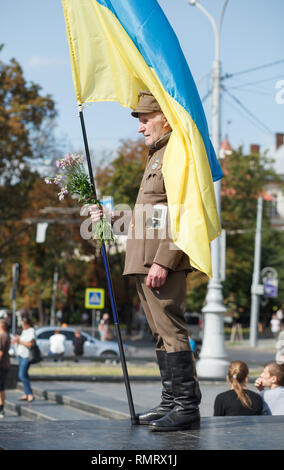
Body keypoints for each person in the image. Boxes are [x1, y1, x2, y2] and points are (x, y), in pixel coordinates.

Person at [89, 91, 201, 432]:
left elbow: (184, 212)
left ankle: (186, 407)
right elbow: (149, 216)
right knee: (160, 334)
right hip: (144, 259)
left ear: (164, 118)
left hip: (159, 262)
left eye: (144, 119)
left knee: (171, 329)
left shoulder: (176, 154)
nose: (140, 128)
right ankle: (171, 401)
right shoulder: (156, 156)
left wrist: (164, 261)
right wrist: (109, 218)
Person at [14, 317, 35, 403]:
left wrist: (19, 341)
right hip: (21, 355)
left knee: (21, 375)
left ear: (27, 324)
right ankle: (27, 393)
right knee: (24, 375)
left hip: (26, 356)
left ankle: (30, 394)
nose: (22, 325)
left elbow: (30, 344)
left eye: (23, 324)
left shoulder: (31, 331)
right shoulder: (24, 331)